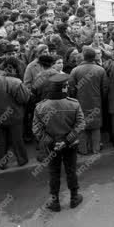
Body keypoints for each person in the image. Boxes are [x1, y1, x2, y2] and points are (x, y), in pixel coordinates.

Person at [32, 73, 85, 212]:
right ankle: (74, 197)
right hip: (71, 144)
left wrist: (52, 142)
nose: (68, 88)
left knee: (54, 173)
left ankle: (55, 202)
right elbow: (80, 124)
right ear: (63, 88)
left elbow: (37, 130)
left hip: (51, 147)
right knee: (71, 171)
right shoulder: (73, 104)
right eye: (66, 86)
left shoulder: (40, 107)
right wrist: (66, 141)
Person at [0, 57, 31, 169]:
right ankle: (22, 159)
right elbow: (23, 99)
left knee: (1, 141)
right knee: (17, 140)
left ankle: (1, 162)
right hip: (14, 115)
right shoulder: (16, 82)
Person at [68, 48, 107, 155]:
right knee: (96, 126)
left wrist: (74, 99)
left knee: (81, 125)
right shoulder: (100, 70)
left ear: (84, 57)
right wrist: (101, 99)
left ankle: (83, 149)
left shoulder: (75, 70)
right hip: (96, 101)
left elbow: (71, 88)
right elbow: (105, 88)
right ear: (94, 57)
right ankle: (96, 149)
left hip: (79, 102)